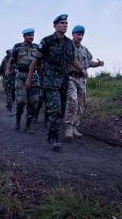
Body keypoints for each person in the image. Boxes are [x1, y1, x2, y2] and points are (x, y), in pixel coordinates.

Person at [26, 14, 82, 151]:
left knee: (62, 110)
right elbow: (35, 61)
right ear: (55, 25)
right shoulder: (47, 41)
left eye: (66, 23)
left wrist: (82, 69)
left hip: (64, 80)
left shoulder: (69, 43)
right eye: (62, 23)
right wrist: (29, 78)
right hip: (50, 80)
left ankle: (51, 133)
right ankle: (55, 138)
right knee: (55, 109)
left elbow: (73, 59)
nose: (65, 25)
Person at [64, 25, 104, 139]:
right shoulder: (68, 46)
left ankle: (74, 127)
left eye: (82, 35)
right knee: (72, 100)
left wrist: (98, 64)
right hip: (71, 77)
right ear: (73, 34)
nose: (80, 37)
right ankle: (68, 127)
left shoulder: (84, 49)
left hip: (82, 80)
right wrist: (81, 68)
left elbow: (89, 62)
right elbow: (71, 59)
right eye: (78, 34)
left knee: (81, 104)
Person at [6, 28, 40, 133]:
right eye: (29, 35)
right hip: (21, 76)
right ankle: (18, 120)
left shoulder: (36, 47)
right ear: (24, 36)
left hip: (34, 76)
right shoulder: (17, 47)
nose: (32, 37)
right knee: (21, 101)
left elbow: (41, 60)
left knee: (34, 102)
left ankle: (28, 126)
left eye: (33, 35)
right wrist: (7, 69)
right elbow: (11, 60)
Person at [0, 49, 15, 115]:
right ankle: (11, 110)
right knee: (9, 94)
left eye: (11, 53)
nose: (10, 54)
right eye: (9, 53)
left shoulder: (16, 60)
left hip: (15, 80)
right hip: (7, 80)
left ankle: (10, 104)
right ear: (7, 53)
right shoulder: (4, 60)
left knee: (14, 95)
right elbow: (0, 70)